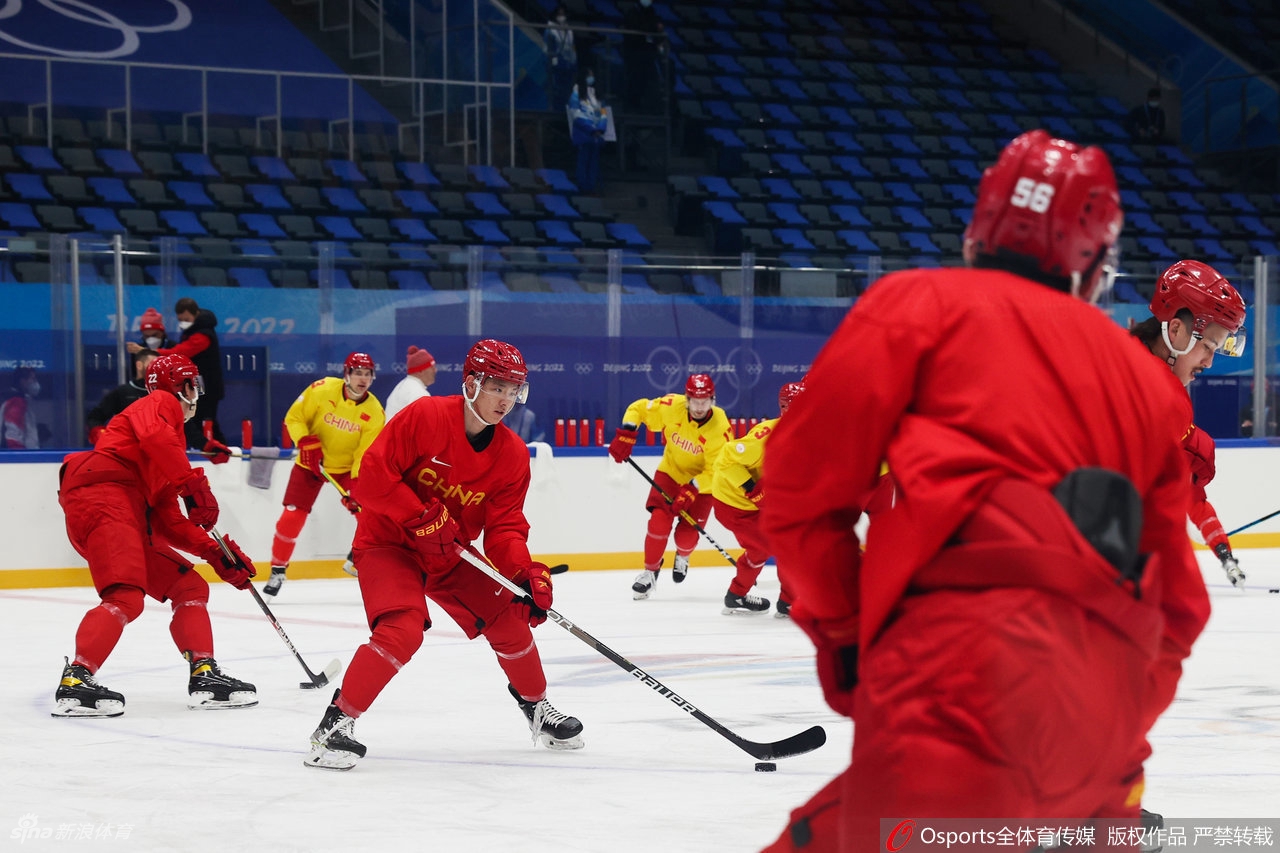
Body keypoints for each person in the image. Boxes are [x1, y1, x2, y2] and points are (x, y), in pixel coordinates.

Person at [760, 129, 1209, 849]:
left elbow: (797, 490)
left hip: (951, 693)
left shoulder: (916, 304)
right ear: (1095, 257)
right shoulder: (1145, 383)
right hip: (1101, 743)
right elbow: (1180, 601)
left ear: (981, 224)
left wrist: (846, 636)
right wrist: (1109, 713)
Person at [304, 339, 583, 770]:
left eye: (514, 390)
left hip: (450, 553)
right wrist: (419, 517)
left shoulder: (511, 454)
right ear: (471, 382)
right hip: (388, 543)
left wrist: (523, 573)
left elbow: (505, 527)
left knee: (509, 614)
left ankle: (537, 708)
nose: (506, 400)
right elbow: (372, 478)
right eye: (498, 387)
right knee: (403, 628)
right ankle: (335, 726)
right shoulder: (427, 416)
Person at [52, 353, 257, 718]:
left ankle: (204, 673)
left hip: (123, 511)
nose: (199, 392)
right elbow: (155, 438)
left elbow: (167, 521)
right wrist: (192, 485)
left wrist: (215, 553)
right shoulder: (159, 405)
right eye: (195, 384)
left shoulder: (167, 445)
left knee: (190, 588)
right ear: (182, 387)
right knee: (126, 596)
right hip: (104, 498)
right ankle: (76, 679)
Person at [1130, 259, 1249, 589]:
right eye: (1208, 346)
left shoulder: (1119, 357)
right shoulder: (1163, 397)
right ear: (1177, 330)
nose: (1209, 362)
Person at [265, 352, 385, 596]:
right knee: (291, 517)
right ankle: (278, 569)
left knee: (368, 514)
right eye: (358, 373)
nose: (363, 379)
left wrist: (359, 487)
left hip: (345, 470)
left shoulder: (374, 411)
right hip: (310, 463)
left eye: (367, 374)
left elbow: (365, 454)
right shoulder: (322, 389)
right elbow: (294, 418)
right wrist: (305, 442)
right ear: (346, 374)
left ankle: (357, 558)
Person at [607, 373, 733, 600]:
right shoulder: (672, 406)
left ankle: (683, 556)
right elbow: (638, 408)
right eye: (695, 401)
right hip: (671, 473)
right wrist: (627, 433)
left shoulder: (721, 427)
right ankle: (649, 572)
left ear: (713, 400)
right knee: (658, 523)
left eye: (704, 401)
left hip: (702, 487)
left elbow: (718, 469)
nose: (699, 407)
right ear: (687, 398)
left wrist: (693, 488)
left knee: (686, 538)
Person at [708, 381, 805, 617]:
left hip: (760, 502)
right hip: (733, 502)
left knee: (768, 547)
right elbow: (726, 459)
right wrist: (753, 489)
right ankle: (787, 602)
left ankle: (737, 596)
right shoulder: (766, 438)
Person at [128, 297, 225, 449]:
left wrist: (147, 351)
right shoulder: (192, 330)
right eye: (180, 319)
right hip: (195, 380)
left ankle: (214, 446)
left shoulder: (202, 335)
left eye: (186, 319)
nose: (183, 322)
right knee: (194, 415)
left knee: (204, 415)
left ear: (196, 314)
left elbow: (180, 352)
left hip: (204, 382)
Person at [86, 350, 159, 445]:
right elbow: (95, 417)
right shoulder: (122, 392)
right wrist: (100, 434)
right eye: (152, 365)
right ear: (139, 365)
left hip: (157, 446)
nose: (156, 369)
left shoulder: (164, 392)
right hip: (127, 447)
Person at [622, 0, 665, 112]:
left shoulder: (651, 11)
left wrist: (655, 28)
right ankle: (632, 107)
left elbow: (657, 27)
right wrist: (653, 27)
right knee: (635, 82)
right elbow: (639, 28)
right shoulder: (632, 13)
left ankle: (650, 109)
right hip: (635, 54)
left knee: (651, 82)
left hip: (648, 55)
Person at [570, 74, 608, 193]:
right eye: (589, 74)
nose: (591, 77)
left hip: (596, 137)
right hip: (584, 135)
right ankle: (582, 187)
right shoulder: (575, 96)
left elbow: (604, 114)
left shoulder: (598, 98)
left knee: (593, 163)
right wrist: (591, 129)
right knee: (583, 162)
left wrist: (600, 129)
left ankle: (591, 187)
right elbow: (576, 115)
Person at [383, 345, 436, 421]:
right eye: (432, 368)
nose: (435, 371)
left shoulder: (404, 385)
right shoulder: (418, 394)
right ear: (420, 371)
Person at [544, 4, 577, 113]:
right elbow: (549, 49)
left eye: (563, 14)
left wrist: (573, 62)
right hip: (556, 66)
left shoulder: (569, 30)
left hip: (568, 65)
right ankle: (555, 110)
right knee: (556, 90)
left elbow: (572, 47)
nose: (561, 16)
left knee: (567, 91)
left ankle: (566, 110)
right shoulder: (550, 30)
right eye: (559, 14)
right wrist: (553, 63)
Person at [1, 366, 43, 449]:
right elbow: (13, 436)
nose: (35, 383)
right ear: (23, 381)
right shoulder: (16, 401)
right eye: (33, 379)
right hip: (16, 457)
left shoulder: (18, 399)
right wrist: (20, 456)